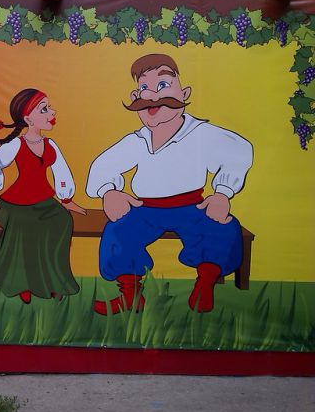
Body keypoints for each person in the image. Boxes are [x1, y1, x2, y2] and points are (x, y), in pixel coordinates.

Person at [86, 53, 253, 315]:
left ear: (184, 93)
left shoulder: (200, 134)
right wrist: (109, 192)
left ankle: (206, 283)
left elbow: (239, 151)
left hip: (192, 206)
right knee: (118, 232)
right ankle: (130, 295)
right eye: (144, 87)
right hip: (145, 208)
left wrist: (222, 193)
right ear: (135, 97)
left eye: (163, 84)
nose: (153, 96)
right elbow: (102, 166)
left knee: (222, 227)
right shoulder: (137, 140)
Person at [0, 88, 86, 304]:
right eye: (44, 109)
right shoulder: (17, 144)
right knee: (24, 223)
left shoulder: (50, 145)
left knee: (62, 221)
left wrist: (66, 199)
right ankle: (20, 282)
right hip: (15, 203)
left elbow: (61, 171)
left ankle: (55, 281)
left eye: (49, 107)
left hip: (44, 201)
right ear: (27, 119)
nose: (52, 112)